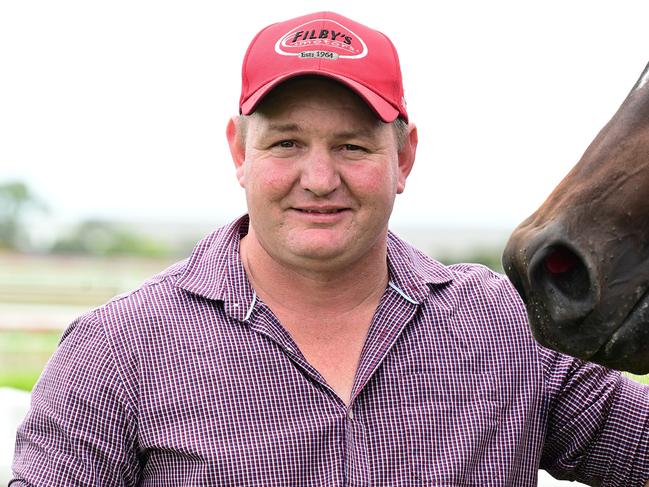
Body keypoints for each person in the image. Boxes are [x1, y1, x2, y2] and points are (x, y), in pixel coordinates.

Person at [10, 11, 649, 486]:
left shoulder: (502, 326)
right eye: (287, 143)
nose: (319, 180)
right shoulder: (113, 353)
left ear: (404, 157)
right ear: (240, 152)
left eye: (352, 146)